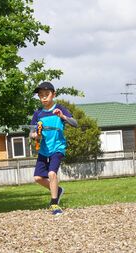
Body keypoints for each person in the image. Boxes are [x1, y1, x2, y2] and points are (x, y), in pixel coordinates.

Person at [30, 81, 78, 215]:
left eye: (47, 94)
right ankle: (59, 190)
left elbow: (75, 123)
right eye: (41, 95)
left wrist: (62, 116)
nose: (44, 97)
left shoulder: (60, 108)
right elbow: (32, 133)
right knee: (38, 178)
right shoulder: (37, 114)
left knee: (52, 173)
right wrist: (35, 135)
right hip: (44, 150)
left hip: (57, 147)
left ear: (53, 94)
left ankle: (54, 204)